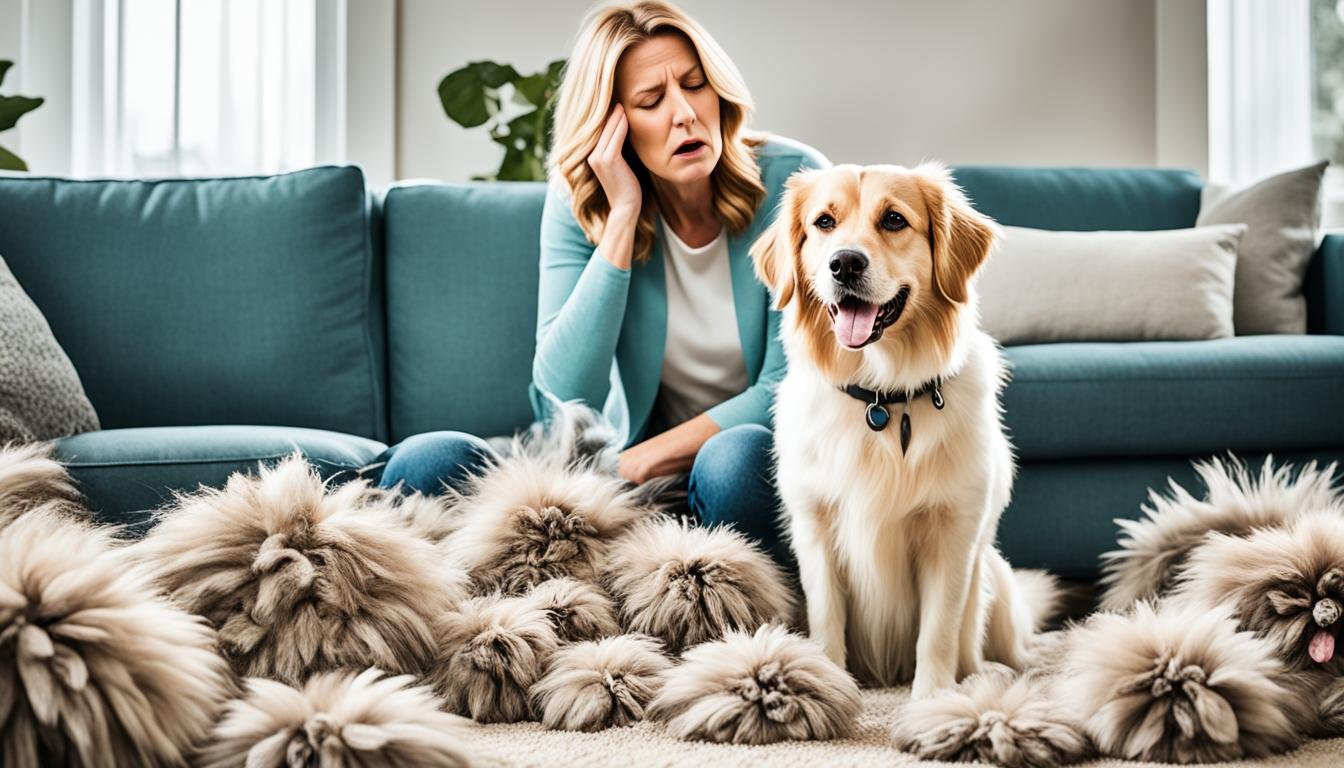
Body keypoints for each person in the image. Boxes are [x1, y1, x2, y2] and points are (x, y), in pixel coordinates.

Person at [375, 0, 828, 570]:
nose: (685, 114)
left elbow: (790, 382)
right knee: (429, 461)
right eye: (651, 101)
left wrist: (640, 462)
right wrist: (622, 217)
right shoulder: (583, 200)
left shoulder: (797, 184)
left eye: (695, 85)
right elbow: (563, 395)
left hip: (716, 477)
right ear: (613, 124)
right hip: (608, 480)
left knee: (733, 460)